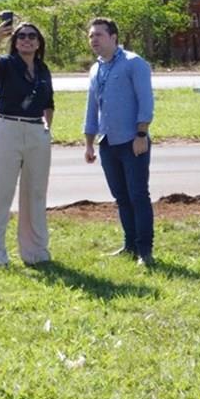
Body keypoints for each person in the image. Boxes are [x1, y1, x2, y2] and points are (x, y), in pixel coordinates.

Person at [82, 17, 156, 267]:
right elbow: (92, 107)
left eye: (99, 35)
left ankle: (145, 251)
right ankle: (130, 245)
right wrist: (89, 143)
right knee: (121, 197)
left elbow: (145, 101)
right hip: (107, 143)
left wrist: (141, 134)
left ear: (114, 37)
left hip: (132, 140)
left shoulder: (134, 64)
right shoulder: (96, 69)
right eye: (91, 36)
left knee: (138, 195)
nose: (94, 40)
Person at [0, 19, 55, 267]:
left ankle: (35, 253)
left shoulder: (43, 69)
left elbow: (49, 103)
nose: (27, 39)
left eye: (32, 36)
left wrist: (47, 130)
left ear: (39, 43)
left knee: (35, 193)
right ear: (14, 42)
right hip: (8, 128)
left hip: (37, 131)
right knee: (0, 194)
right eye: (22, 36)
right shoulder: (7, 65)